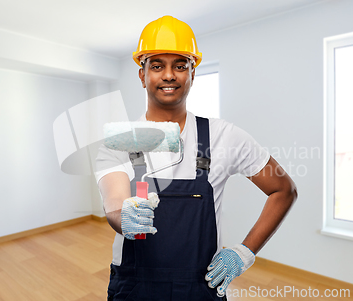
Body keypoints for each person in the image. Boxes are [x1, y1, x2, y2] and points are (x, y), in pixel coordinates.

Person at [96, 15, 297, 301]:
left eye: (180, 65)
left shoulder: (224, 136)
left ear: (193, 73)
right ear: (142, 75)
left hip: (201, 287)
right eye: (156, 66)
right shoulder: (119, 141)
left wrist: (245, 252)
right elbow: (114, 202)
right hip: (134, 286)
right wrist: (123, 217)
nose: (169, 75)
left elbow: (283, 189)